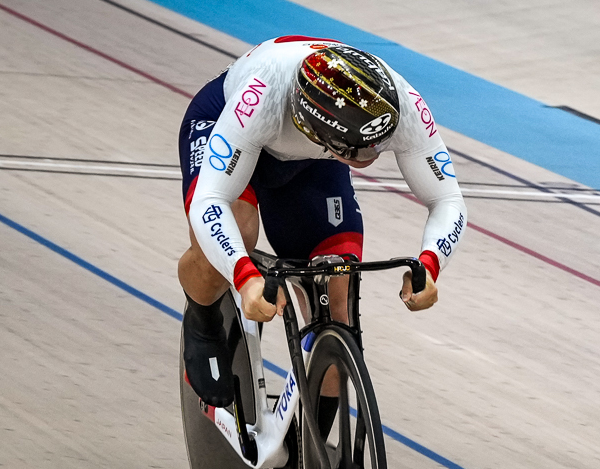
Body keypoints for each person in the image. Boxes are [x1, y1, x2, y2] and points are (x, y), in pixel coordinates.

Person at [178, 37, 466, 412]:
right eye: (357, 150)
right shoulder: (262, 96)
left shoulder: (400, 105)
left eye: (376, 145)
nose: (369, 157)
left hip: (315, 152)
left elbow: (447, 199)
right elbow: (209, 202)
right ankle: (202, 319)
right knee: (238, 231)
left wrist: (430, 263)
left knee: (337, 299)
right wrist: (243, 275)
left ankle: (312, 460)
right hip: (227, 124)